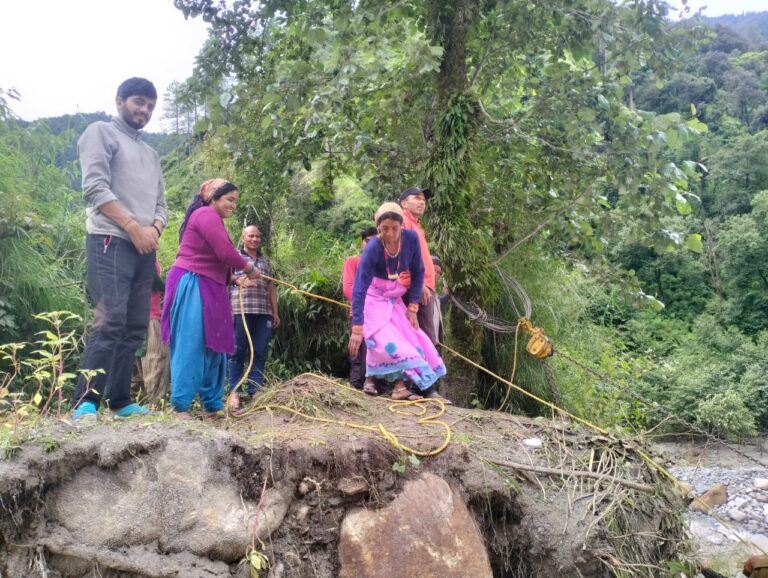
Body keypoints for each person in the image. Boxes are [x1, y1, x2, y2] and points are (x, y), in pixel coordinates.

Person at [72, 77, 167, 420]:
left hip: (144, 246)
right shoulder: (101, 132)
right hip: (110, 238)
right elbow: (94, 188)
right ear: (120, 101)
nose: (144, 110)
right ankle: (84, 401)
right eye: (139, 102)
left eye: (151, 106)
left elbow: (162, 205)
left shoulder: (152, 153)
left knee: (134, 325)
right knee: (110, 319)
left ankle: (120, 400)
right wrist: (132, 227)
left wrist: (153, 230)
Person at [161, 179, 261, 418]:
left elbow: (216, 259)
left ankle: (212, 404)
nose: (234, 205)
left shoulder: (211, 219)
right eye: (229, 200)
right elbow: (225, 252)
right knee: (191, 343)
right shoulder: (205, 214)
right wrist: (249, 269)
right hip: (192, 283)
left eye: (236, 201)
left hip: (212, 286)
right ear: (213, 198)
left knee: (215, 345)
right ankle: (181, 406)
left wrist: (234, 279)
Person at [349, 202, 446, 400]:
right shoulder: (373, 247)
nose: (390, 233)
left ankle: (400, 388)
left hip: (393, 296)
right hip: (372, 297)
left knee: (409, 338)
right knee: (385, 341)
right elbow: (359, 288)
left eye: (394, 228)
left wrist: (412, 307)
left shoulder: (411, 239)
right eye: (384, 229)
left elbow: (418, 271)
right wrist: (357, 328)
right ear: (378, 229)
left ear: (402, 226)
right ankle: (372, 379)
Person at [227, 225, 280, 412]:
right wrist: (237, 280)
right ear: (243, 237)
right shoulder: (234, 257)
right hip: (240, 310)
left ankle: (255, 391)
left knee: (259, 351)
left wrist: (275, 312)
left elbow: (271, 287)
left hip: (263, 312)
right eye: (251, 236)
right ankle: (234, 392)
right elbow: (226, 276)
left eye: (258, 236)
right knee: (236, 351)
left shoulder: (265, 261)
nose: (255, 239)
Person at [342, 226, 378, 389]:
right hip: (359, 314)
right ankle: (355, 385)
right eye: (367, 241)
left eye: (374, 241)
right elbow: (348, 288)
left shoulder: (382, 264)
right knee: (358, 351)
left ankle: (376, 387)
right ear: (362, 243)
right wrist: (367, 304)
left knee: (377, 351)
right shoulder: (353, 261)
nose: (370, 244)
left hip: (380, 317)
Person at [132, 259, 170, 405]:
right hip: (148, 316)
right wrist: (170, 287)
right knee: (156, 360)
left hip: (133, 317)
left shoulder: (125, 254)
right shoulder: (145, 255)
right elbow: (152, 279)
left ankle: (134, 402)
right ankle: (155, 404)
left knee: (136, 364)